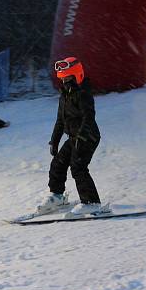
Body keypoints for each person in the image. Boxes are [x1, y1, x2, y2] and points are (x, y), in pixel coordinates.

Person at [37, 57, 107, 216]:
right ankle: (57, 195)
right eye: (62, 79)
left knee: (78, 167)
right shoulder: (64, 96)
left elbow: (89, 117)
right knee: (58, 164)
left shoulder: (83, 94)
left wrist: (82, 137)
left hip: (88, 137)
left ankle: (91, 203)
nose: (65, 83)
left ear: (78, 76)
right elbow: (60, 120)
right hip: (73, 138)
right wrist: (54, 141)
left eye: (69, 79)